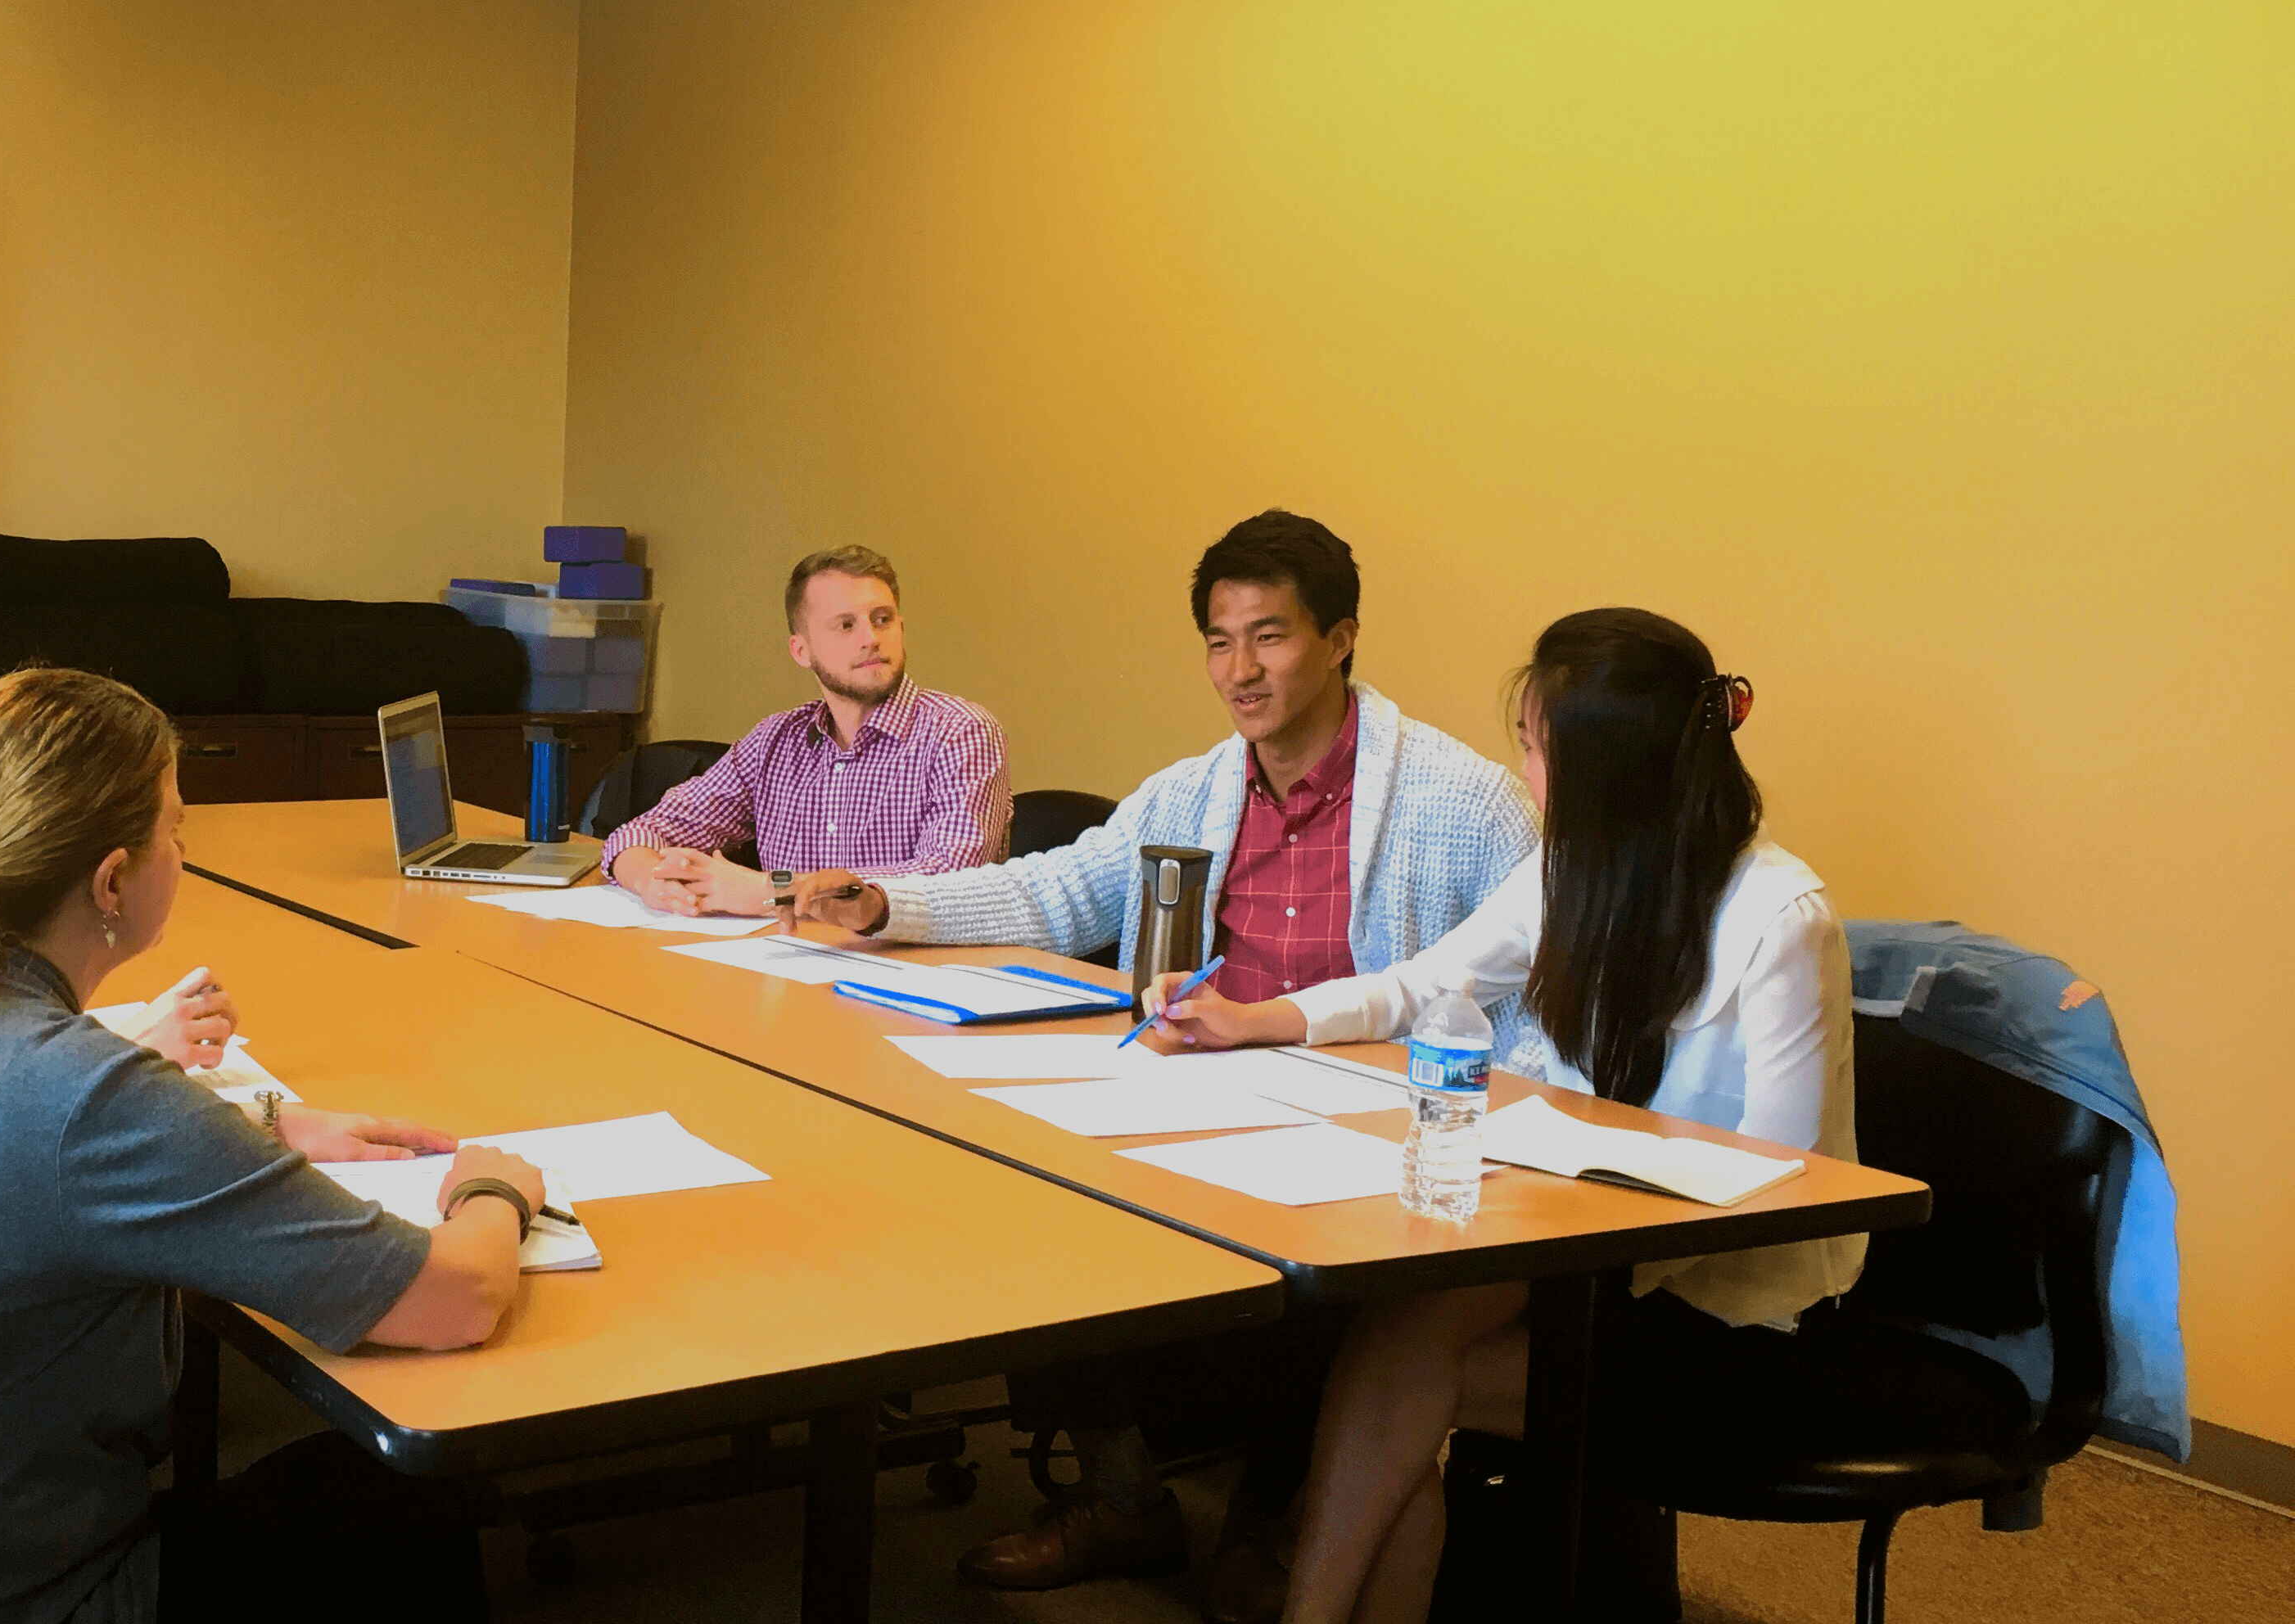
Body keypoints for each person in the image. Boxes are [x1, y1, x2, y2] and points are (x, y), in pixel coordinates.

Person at [782, 511, 1546, 1597]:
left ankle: (1279, 1514)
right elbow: (1063, 887)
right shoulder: (1200, 788)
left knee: (1314, 1301)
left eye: (1270, 637)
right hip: (1214, 1097)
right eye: (1220, 641)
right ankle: (1127, 1499)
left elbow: (1536, 998)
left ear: (1341, 638)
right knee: (1029, 1185)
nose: (1241, 669)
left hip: (1373, 1132)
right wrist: (887, 902)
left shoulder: (1461, 800)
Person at [0, 667, 540, 1624]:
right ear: (111, 879)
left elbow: (35, 1134)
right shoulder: (86, 1100)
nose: (184, 850)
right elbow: (456, 1299)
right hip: (26, 1598)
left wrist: (259, 1127)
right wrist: (495, 1190)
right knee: (397, 1502)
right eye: (177, 829)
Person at [1148, 608, 1862, 1624]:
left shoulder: (1782, 921)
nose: (1524, 773)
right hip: (1579, 1260)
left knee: (1397, 1375)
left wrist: (1566, 1218)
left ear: (1605, 763)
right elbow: (1422, 984)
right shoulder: (1573, 868)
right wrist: (1259, 1019)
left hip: (1725, 1317)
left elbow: (1786, 1188)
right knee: (1394, 1345)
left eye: (1536, 749)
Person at [603, 545, 1006, 915]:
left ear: (902, 628)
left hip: (914, 971)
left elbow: (950, 882)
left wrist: (771, 889)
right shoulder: (775, 739)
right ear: (801, 650)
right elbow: (643, 831)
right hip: (792, 959)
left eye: (882, 620)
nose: (870, 638)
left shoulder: (961, 731)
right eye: (846, 625)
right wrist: (650, 882)